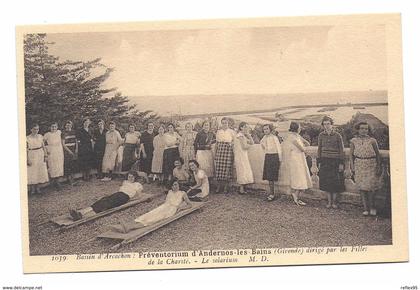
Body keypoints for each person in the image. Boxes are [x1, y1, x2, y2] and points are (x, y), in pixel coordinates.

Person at [109, 180, 192, 233]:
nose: (175, 186)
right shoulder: (170, 191)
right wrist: (160, 205)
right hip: (164, 207)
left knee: (152, 219)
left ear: (179, 185)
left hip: (171, 210)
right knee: (147, 215)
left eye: (176, 185)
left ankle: (129, 228)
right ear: (171, 186)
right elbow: (167, 201)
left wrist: (180, 208)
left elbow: (189, 205)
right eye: (173, 185)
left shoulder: (182, 193)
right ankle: (126, 225)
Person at [69, 171, 146, 221]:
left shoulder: (137, 185)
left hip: (125, 197)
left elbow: (139, 196)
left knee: (107, 204)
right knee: (102, 200)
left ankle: (83, 216)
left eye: (132, 177)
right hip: (118, 194)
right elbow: (121, 190)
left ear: (135, 177)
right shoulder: (125, 182)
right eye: (129, 176)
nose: (130, 178)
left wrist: (129, 199)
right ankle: (81, 212)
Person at [350, 122, 382, 216]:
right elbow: (351, 155)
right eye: (362, 128)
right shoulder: (353, 141)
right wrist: (352, 166)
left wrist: (378, 166)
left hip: (371, 164)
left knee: (371, 187)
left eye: (366, 129)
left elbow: (378, 155)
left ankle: (372, 207)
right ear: (358, 129)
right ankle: (365, 208)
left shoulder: (372, 140)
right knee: (362, 188)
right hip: (359, 164)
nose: (364, 130)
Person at [317, 116, 345, 209]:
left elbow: (341, 150)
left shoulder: (337, 135)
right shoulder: (321, 135)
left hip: (335, 161)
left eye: (328, 124)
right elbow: (319, 149)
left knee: (335, 183)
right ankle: (329, 202)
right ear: (323, 125)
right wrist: (319, 161)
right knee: (326, 183)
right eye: (325, 124)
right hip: (325, 161)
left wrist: (341, 163)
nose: (327, 126)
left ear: (332, 124)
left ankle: (334, 203)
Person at [281, 122, 312, 206]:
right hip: (295, 159)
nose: (300, 128)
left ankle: (296, 196)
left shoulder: (296, 136)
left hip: (299, 158)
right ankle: (296, 196)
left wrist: (303, 143)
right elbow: (302, 148)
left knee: (301, 176)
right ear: (296, 128)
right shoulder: (292, 137)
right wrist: (304, 148)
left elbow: (307, 143)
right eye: (299, 127)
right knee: (299, 177)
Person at [260, 124, 282, 201]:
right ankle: (271, 193)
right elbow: (262, 145)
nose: (265, 130)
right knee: (269, 177)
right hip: (268, 156)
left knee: (272, 176)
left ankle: (272, 194)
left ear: (270, 129)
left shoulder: (274, 137)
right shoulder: (264, 138)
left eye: (267, 129)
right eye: (264, 129)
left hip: (274, 157)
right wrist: (265, 148)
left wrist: (280, 159)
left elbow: (279, 148)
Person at [214, 117, 235, 194]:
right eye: (222, 123)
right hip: (220, 150)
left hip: (228, 150)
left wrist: (231, 145)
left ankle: (226, 186)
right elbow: (216, 144)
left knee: (227, 168)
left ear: (228, 123)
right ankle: (219, 186)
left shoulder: (232, 132)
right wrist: (215, 153)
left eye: (225, 123)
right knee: (219, 167)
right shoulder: (218, 132)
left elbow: (234, 142)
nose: (224, 124)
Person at [27, 124, 49, 194]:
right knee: (32, 171)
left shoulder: (40, 136)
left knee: (39, 170)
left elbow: (43, 146)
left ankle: (38, 188)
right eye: (34, 129)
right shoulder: (27, 138)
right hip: (32, 154)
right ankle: (33, 189)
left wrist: (45, 155)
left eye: (37, 129)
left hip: (40, 154)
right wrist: (27, 159)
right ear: (31, 129)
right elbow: (26, 149)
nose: (36, 131)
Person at [234, 122, 254, 194]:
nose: (247, 128)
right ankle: (241, 189)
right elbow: (244, 147)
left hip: (242, 155)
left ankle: (243, 188)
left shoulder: (243, 136)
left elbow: (252, 142)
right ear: (241, 127)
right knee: (242, 171)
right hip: (240, 156)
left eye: (247, 127)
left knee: (244, 170)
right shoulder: (240, 136)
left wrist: (249, 135)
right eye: (245, 127)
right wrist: (250, 147)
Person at [44, 122, 64, 189]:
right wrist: (46, 149)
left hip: (59, 151)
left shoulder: (59, 132)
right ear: (50, 127)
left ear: (57, 127)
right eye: (52, 126)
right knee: (52, 166)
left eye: (55, 126)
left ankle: (57, 182)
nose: (54, 128)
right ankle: (52, 182)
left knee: (59, 166)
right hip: (51, 151)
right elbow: (42, 143)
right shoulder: (47, 134)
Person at [61, 121, 78, 186]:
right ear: (65, 126)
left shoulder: (73, 132)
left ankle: (73, 178)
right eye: (67, 125)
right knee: (68, 165)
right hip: (67, 151)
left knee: (73, 165)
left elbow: (76, 141)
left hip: (73, 149)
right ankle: (69, 180)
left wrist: (76, 149)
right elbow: (63, 144)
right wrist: (69, 151)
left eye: (69, 125)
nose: (68, 126)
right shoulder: (63, 133)